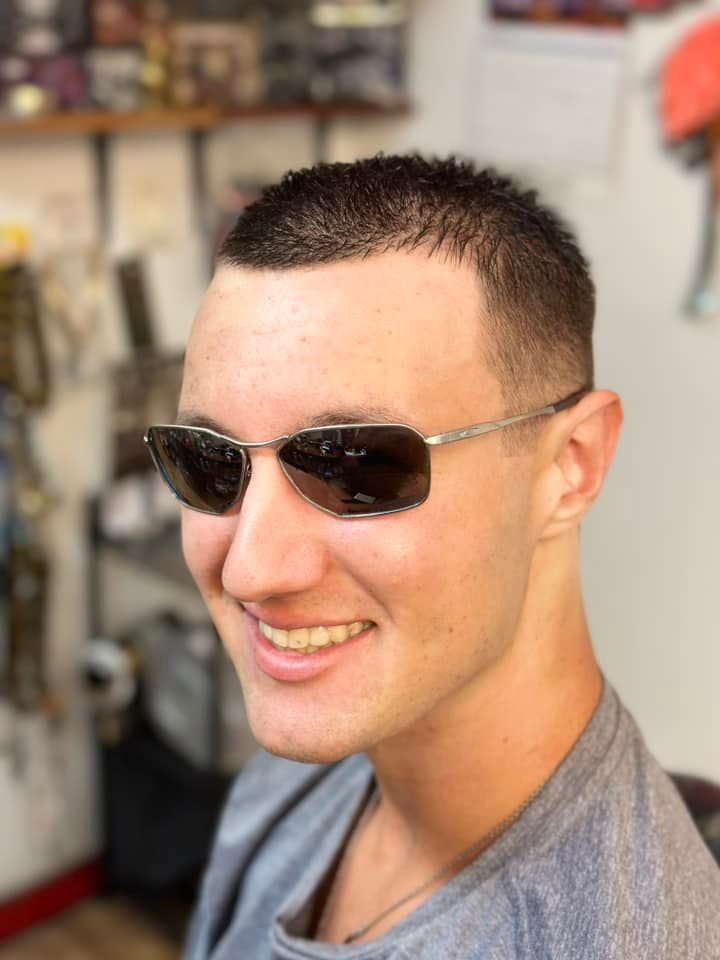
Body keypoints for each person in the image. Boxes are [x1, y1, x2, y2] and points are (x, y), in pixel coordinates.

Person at [145, 154, 720, 959]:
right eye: (210, 461)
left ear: (572, 464)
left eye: (355, 465)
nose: (251, 569)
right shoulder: (305, 768)